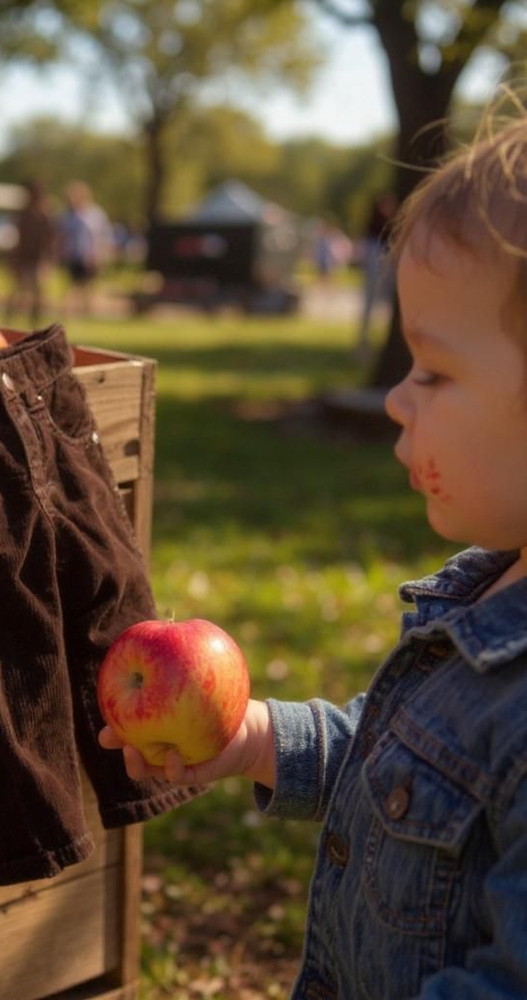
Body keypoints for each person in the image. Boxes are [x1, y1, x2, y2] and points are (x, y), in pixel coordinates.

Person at [101, 102, 527, 998]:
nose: (396, 402)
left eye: (434, 373)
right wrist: (253, 740)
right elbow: (400, 773)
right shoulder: (481, 601)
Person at [5, 179, 56, 326]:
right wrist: (13, 260)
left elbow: (50, 241)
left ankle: (34, 321)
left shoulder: (45, 216)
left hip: (37, 259)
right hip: (23, 259)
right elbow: (15, 239)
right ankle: (11, 319)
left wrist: (47, 261)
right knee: (17, 292)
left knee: (37, 293)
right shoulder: (22, 215)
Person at [57, 180, 112, 317]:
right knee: (73, 285)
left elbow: (103, 235)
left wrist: (100, 254)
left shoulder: (95, 214)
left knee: (89, 286)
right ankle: (70, 313)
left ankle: (88, 312)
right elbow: (61, 236)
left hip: (91, 256)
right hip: (74, 255)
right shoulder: (67, 216)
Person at [355, 190, 399, 361]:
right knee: (369, 308)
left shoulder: (390, 233)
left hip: (385, 276)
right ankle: (363, 345)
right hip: (374, 275)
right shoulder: (373, 237)